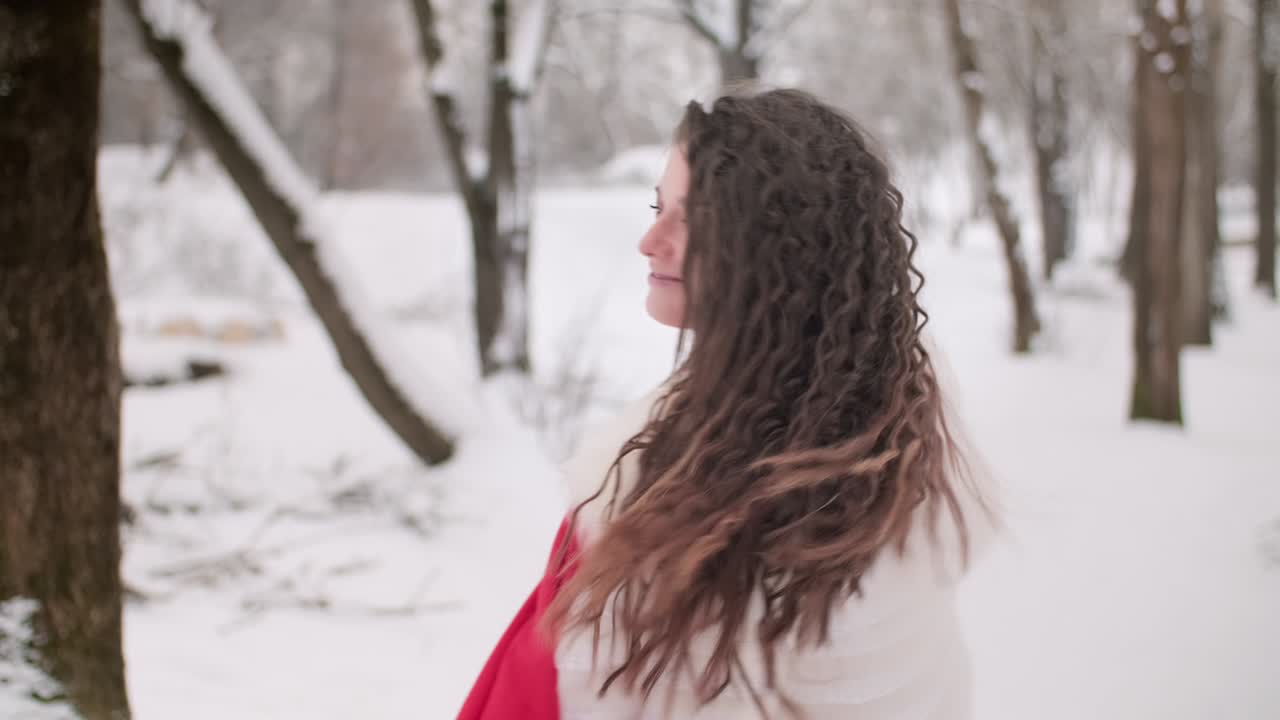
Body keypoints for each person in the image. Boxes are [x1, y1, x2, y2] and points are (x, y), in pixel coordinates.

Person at [458, 87, 996, 720]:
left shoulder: (763, 507)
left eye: (690, 220)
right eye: (658, 208)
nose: (650, 240)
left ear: (777, 249)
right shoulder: (854, 424)